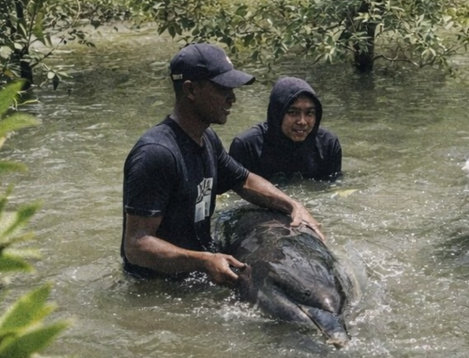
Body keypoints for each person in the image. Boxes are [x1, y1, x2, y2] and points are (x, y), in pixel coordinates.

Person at [121, 43, 324, 286]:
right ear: (191, 90)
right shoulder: (156, 154)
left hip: (200, 269)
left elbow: (244, 180)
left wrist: (293, 206)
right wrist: (203, 260)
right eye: (222, 89)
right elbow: (136, 245)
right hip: (156, 287)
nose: (232, 98)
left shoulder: (207, 139)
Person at [230, 77, 341, 182]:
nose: (302, 122)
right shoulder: (247, 147)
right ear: (277, 114)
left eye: (309, 113)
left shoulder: (327, 144)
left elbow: (333, 190)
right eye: (293, 112)